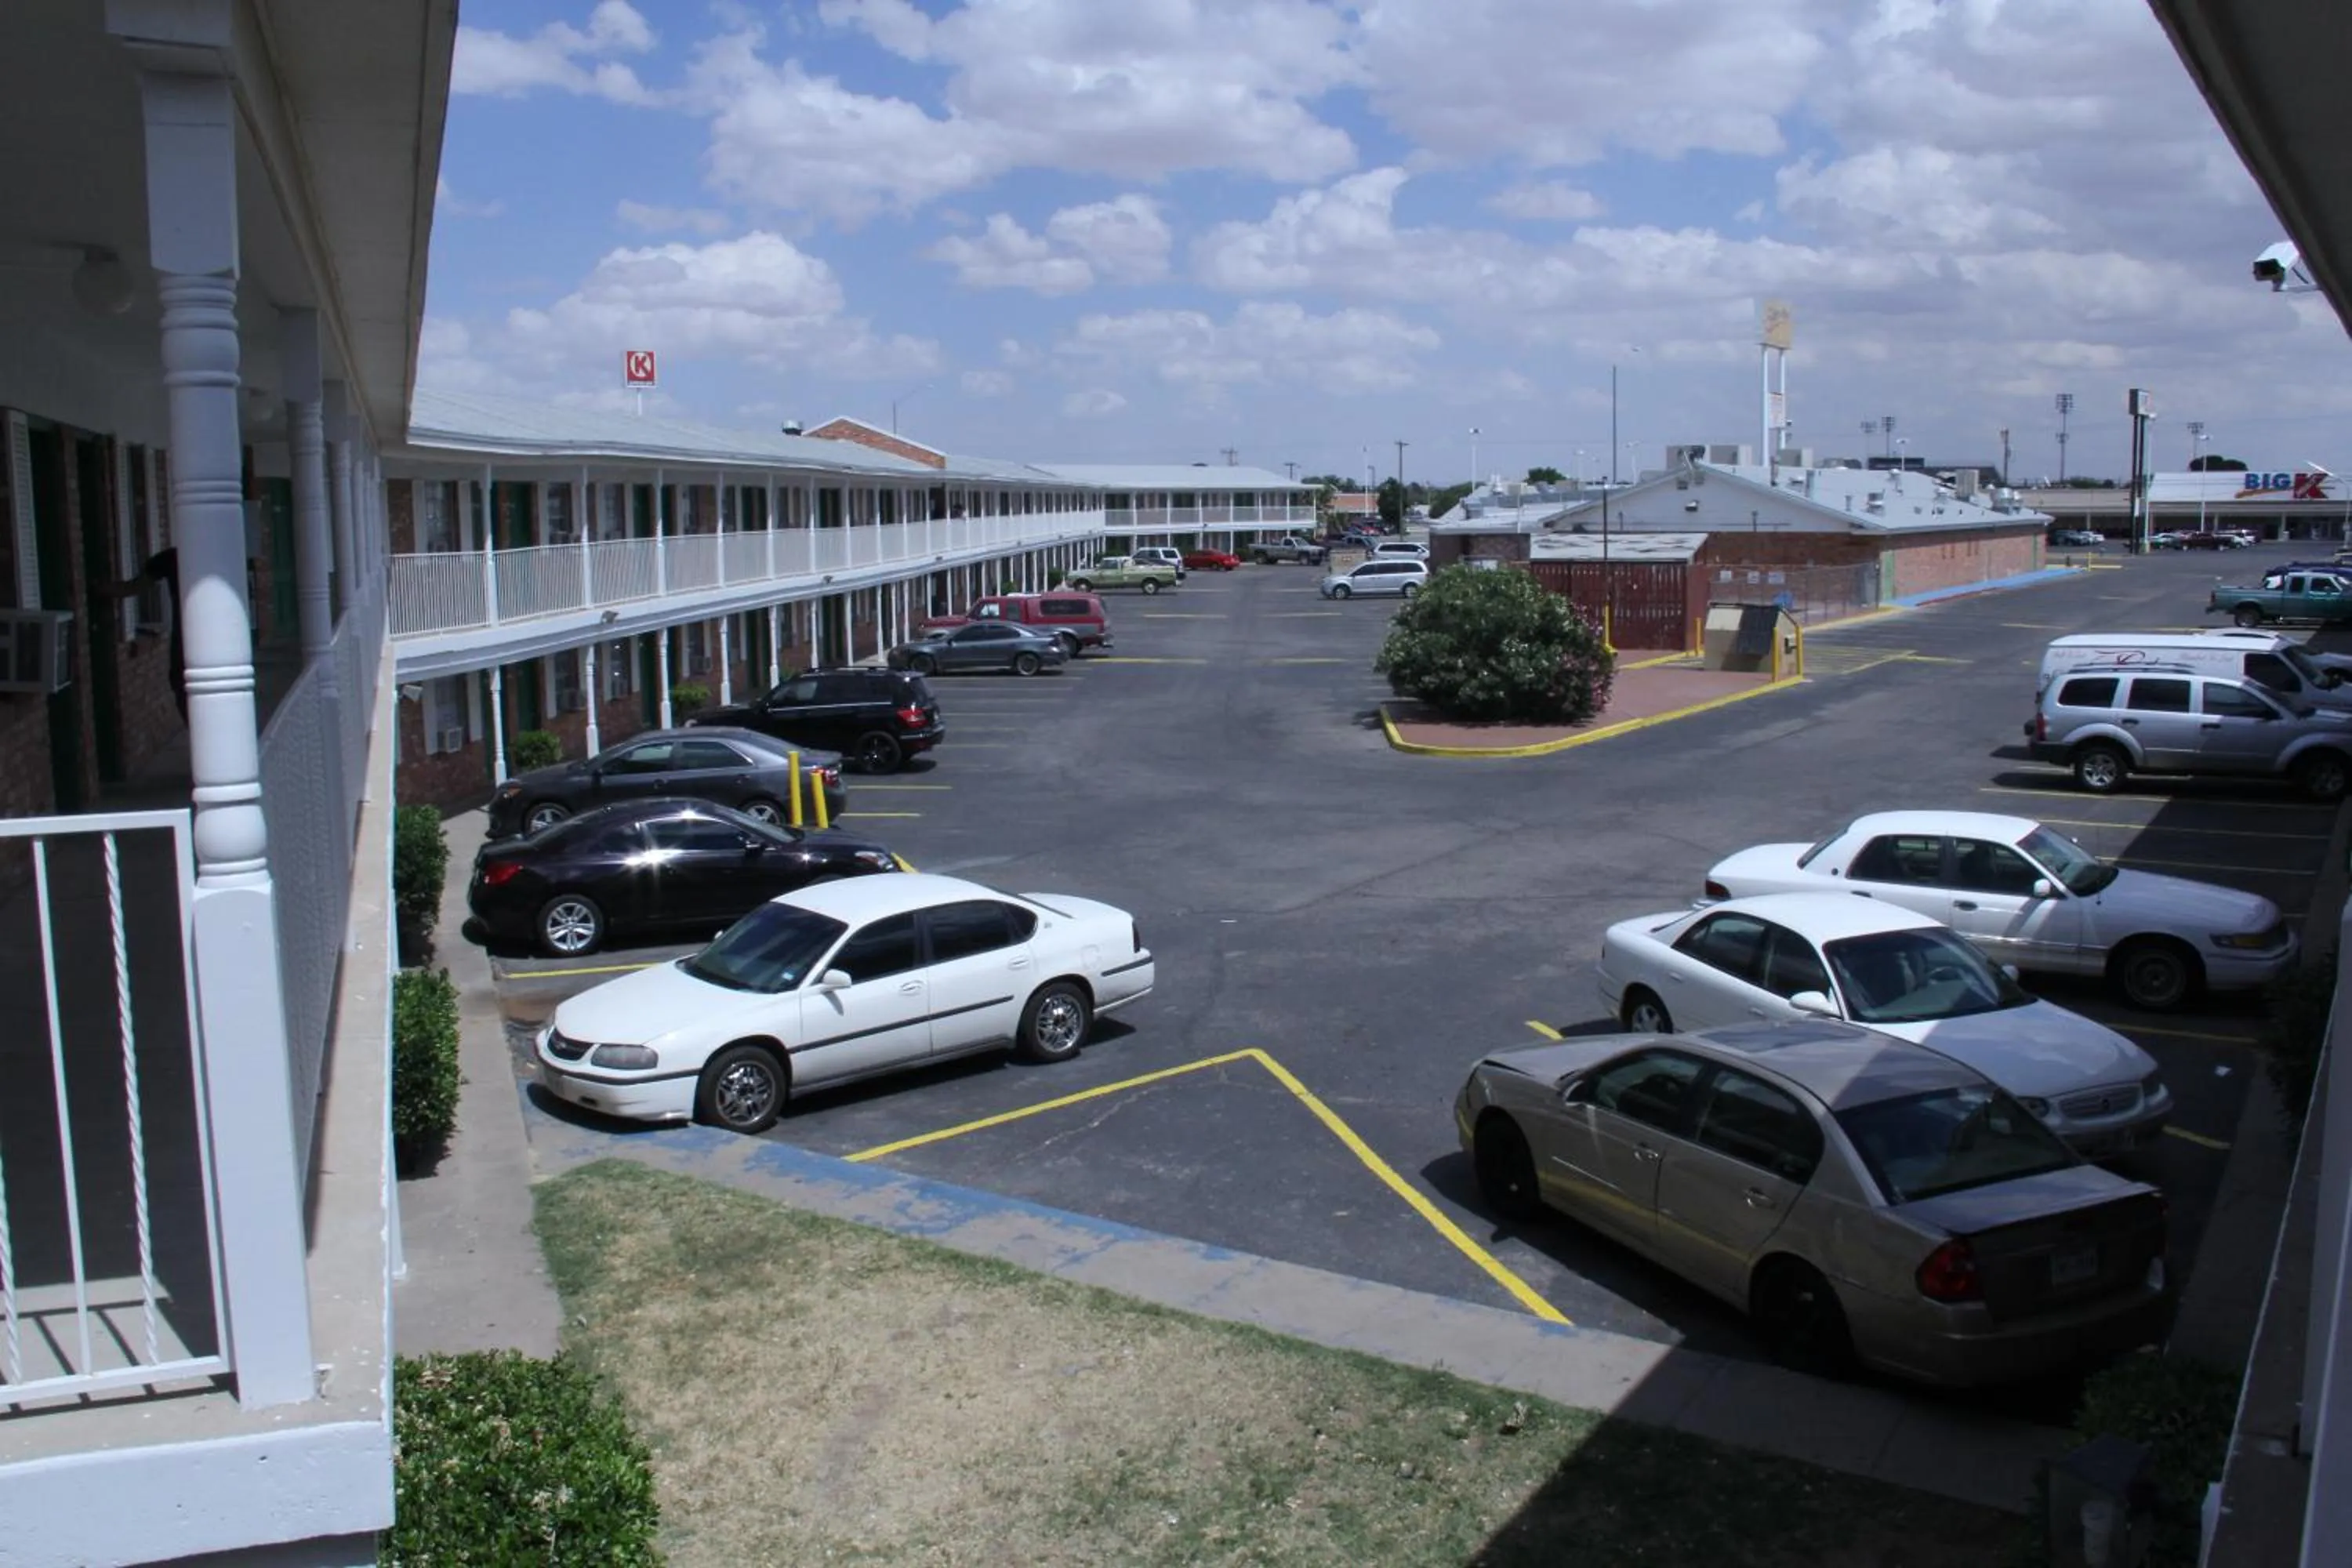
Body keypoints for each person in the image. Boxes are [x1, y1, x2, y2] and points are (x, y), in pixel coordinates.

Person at [100, 546, 182, 720]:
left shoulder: (173, 557)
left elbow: (134, 587)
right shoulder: (173, 558)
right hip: (191, 637)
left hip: (186, 638)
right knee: (182, 681)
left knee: (182, 682)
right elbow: (134, 587)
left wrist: (100, 589)